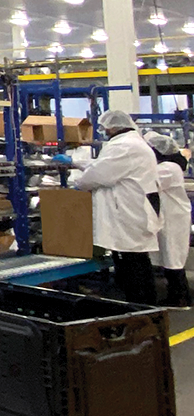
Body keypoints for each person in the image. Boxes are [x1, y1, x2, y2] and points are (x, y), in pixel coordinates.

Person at [56, 111, 161, 305]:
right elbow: (103, 165)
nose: (104, 131)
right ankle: (145, 309)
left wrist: (78, 184)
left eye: (105, 128)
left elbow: (100, 174)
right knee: (136, 264)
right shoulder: (129, 144)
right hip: (131, 210)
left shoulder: (124, 146)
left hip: (128, 214)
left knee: (133, 268)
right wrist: (74, 162)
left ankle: (140, 310)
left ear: (112, 127)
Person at [144, 133, 191, 307]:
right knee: (171, 258)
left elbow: (145, 181)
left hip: (173, 218)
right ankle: (179, 296)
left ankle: (180, 299)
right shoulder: (168, 166)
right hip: (171, 216)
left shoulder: (168, 168)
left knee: (173, 259)